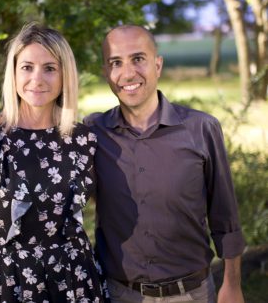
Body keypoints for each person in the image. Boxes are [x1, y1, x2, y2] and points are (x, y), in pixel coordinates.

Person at [0, 23, 109, 303]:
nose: (38, 79)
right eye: (27, 67)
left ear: (65, 74)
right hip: (9, 284)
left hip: (75, 283)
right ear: (13, 73)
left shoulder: (83, 140)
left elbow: (110, 210)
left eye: (50, 68)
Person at [83, 24, 245, 303]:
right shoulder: (93, 133)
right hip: (119, 294)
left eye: (138, 59)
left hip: (192, 294)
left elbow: (225, 214)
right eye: (116, 63)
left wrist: (232, 284)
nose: (128, 73)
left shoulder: (201, 128)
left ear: (157, 65)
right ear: (106, 73)